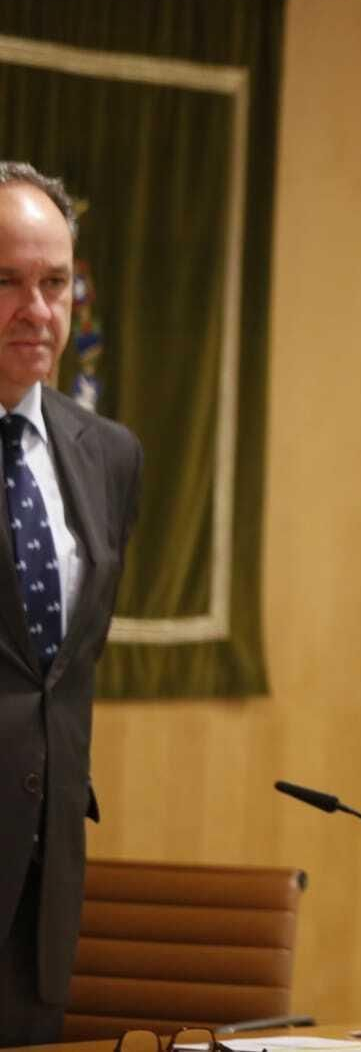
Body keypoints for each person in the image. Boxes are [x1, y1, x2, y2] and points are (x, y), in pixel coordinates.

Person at [0, 163, 143, 1047]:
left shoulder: (110, 455)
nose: (38, 311)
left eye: (55, 283)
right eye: (6, 283)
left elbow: (64, 674)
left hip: (43, 884)